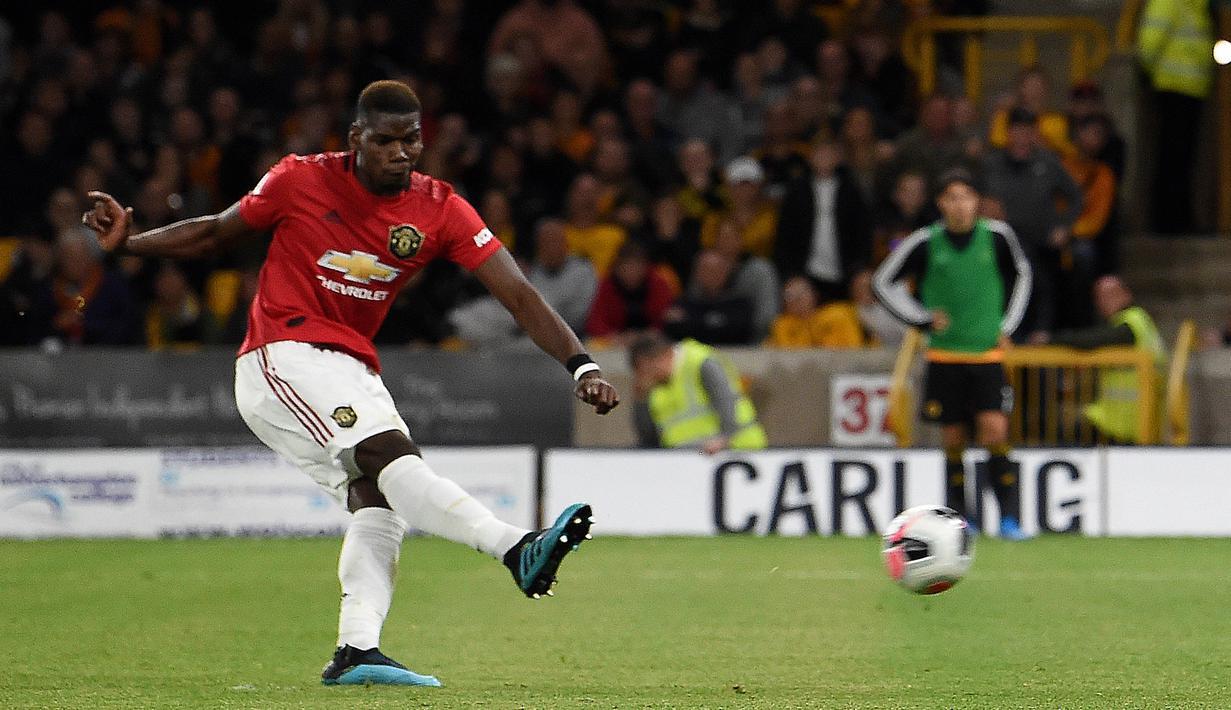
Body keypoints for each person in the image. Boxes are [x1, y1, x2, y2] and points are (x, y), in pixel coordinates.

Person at [82, 80, 619, 687]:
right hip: (280, 354)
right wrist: (130, 243)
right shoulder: (298, 179)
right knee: (389, 456)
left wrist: (582, 363)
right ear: (356, 139)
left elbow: (518, 292)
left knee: (379, 494)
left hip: (352, 366)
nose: (401, 152)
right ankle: (516, 547)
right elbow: (216, 232)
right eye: (386, 140)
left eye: (411, 139)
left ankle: (357, 650)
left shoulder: (440, 207)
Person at [872, 168, 1033, 539]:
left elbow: (1023, 274)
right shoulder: (925, 242)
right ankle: (964, 517)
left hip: (986, 354)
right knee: (954, 438)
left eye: (967, 197)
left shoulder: (996, 236)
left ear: (977, 202)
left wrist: (1007, 326)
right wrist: (921, 318)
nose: (960, 205)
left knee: (995, 429)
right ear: (941, 203)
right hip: (945, 356)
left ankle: (1010, 516)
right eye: (952, 198)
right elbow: (882, 281)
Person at [1039, 276, 1164, 444]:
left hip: (1124, 421)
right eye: (1099, 297)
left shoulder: (1132, 322)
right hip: (1124, 418)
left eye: (1111, 295)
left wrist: (1052, 340)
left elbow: (1096, 340)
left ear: (1126, 294)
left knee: (1057, 435)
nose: (1103, 302)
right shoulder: (1139, 323)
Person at [629, 331, 768, 454]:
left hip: (737, 450)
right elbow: (649, 439)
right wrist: (640, 400)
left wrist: (724, 438)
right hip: (691, 461)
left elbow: (726, 401)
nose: (645, 377)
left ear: (659, 358)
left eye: (646, 370)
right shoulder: (655, 387)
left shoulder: (700, 362)